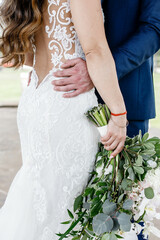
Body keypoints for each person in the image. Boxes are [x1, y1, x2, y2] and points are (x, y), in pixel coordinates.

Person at [0, 0, 129, 239]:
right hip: (68, 105)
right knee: (68, 202)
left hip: (36, 99)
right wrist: (119, 115)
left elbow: (28, 56)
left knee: (41, 195)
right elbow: (95, 50)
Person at [50, 1, 160, 239]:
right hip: (67, 100)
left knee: (122, 214)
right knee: (65, 204)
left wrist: (97, 69)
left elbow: (154, 28)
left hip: (127, 98)